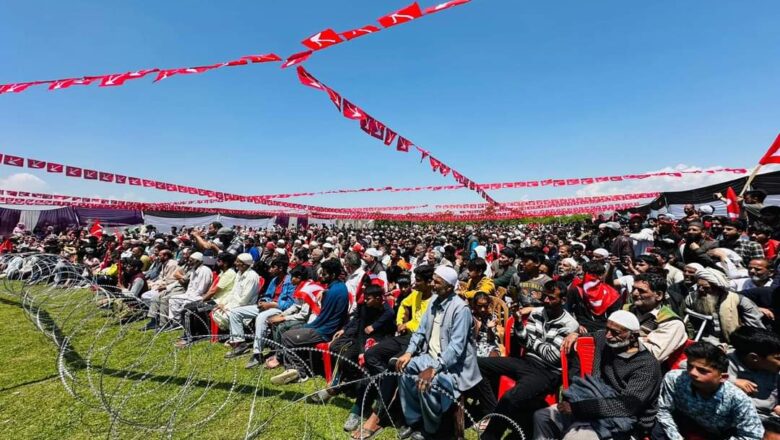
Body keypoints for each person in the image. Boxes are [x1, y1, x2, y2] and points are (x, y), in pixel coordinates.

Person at [534, 310, 662, 440]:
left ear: (633, 336)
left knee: (575, 437)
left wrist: (577, 408)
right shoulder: (606, 340)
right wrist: (575, 334)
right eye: (607, 329)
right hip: (593, 401)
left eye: (615, 333)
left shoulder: (647, 366)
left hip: (623, 420)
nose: (608, 335)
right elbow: (594, 335)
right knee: (543, 417)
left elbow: (626, 406)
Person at [475, 280, 579, 440]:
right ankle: (491, 411)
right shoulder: (537, 312)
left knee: (511, 397)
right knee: (478, 364)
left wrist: (532, 341)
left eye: (551, 298)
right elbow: (525, 342)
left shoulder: (570, 324)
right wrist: (518, 323)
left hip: (547, 372)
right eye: (544, 296)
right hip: (526, 362)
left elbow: (552, 356)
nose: (546, 301)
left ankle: (490, 436)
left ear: (563, 300)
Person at [347, 264, 435, 437]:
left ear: (429, 282)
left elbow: (423, 325)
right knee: (372, 354)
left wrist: (406, 323)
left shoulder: (433, 301)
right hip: (404, 337)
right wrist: (402, 317)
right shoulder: (416, 294)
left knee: (393, 364)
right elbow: (403, 304)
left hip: (419, 341)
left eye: (417, 281)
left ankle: (378, 413)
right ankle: (384, 383)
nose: (414, 284)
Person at [396, 265, 481, 439]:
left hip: (453, 366)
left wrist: (434, 369)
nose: (433, 284)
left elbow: (456, 349)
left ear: (449, 287)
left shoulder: (460, 309)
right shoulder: (434, 301)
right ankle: (414, 421)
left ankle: (430, 429)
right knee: (404, 369)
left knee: (428, 384)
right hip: (430, 357)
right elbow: (420, 331)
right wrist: (409, 352)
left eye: (437, 282)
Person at [653, 341, 764, 440]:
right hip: (683, 423)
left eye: (702, 370)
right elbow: (663, 410)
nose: (692, 373)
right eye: (690, 366)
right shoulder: (674, 378)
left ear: (723, 377)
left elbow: (752, 435)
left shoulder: (739, 400)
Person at [271, 258, 350, 385]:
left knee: (287, 336)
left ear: (333, 275)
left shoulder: (332, 292)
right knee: (294, 332)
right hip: (326, 327)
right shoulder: (339, 287)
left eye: (324, 274)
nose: (321, 276)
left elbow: (323, 319)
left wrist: (307, 327)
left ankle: (299, 373)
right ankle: (295, 367)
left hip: (325, 331)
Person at [224, 259, 293, 366]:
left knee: (261, 318)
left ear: (280, 268)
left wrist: (271, 305)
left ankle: (257, 353)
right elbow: (267, 295)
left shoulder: (290, 281)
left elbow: (289, 304)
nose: (270, 270)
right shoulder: (274, 280)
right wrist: (263, 301)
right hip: (267, 306)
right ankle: (239, 343)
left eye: (273, 267)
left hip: (279, 309)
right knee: (235, 312)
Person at [684, 267, 765, 344]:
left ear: (718, 288)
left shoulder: (739, 300)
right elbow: (691, 325)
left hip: (736, 343)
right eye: (698, 286)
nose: (701, 290)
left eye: (706, 288)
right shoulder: (692, 299)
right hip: (705, 342)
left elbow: (756, 328)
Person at [728, 326, 780, 439]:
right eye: (778, 358)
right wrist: (730, 381)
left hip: (770, 419)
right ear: (754, 358)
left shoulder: (773, 369)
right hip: (740, 423)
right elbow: (685, 369)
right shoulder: (723, 362)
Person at [624, 273, 687, 362]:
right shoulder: (626, 309)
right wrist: (642, 340)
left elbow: (652, 355)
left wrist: (623, 337)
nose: (634, 293)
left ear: (659, 295)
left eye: (641, 291)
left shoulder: (672, 323)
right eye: (634, 288)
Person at [567, 261, 623, 334]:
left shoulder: (612, 294)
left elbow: (614, 317)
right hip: (582, 329)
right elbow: (567, 310)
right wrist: (576, 325)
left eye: (597, 275)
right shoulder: (576, 291)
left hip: (603, 330)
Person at [166, 251, 213, 327]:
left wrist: (188, 297)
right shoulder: (193, 270)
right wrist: (187, 295)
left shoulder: (205, 271)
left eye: (191, 260)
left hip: (200, 296)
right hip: (190, 294)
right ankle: (177, 321)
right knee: (173, 299)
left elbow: (202, 289)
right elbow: (190, 286)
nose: (189, 262)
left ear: (198, 261)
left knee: (186, 304)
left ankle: (186, 323)